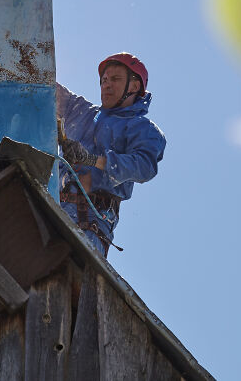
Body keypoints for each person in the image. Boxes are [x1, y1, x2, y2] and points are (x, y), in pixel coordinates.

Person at [56, 52, 166, 256]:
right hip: (53, 208)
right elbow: (45, 91)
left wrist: (93, 160)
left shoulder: (142, 129)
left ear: (133, 86)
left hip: (90, 223)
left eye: (115, 79)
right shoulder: (83, 112)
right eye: (104, 80)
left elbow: (144, 167)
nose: (106, 85)